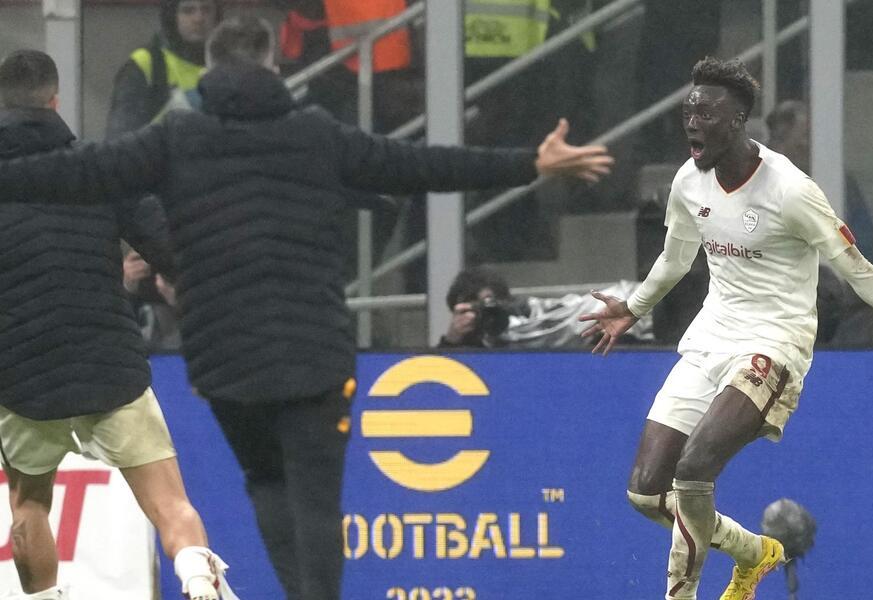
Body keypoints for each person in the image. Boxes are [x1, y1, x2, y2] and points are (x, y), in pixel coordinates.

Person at [0, 18, 612, 600]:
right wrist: (530, 163)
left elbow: (72, 173)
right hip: (304, 352)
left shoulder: (174, 139)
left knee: (259, 482)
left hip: (213, 361)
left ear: (207, 72)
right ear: (274, 66)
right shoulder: (316, 133)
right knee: (299, 500)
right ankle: (261, 585)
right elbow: (421, 166)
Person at [578, 57, 873, 600]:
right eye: (688, 112)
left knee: (695, 468)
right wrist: (633, 308)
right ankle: (753, 552)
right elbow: (674, 259)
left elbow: (864, 276)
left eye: (706, 114)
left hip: (773, 345)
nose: (692, 124)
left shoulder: (791, 191)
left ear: (738, 121)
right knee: (645, 492)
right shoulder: (688, 181)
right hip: (710, 339)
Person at [0, 50, 229, 600]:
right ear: (55, 100)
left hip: (23, 373)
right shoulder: (97, 168)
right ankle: (198, 576)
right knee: (171, 505)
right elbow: (170, 247)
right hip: (109, 361)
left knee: (29, 505)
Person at [764, 99, 873, 263]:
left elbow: (867, 247)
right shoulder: (756, 183)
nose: (809, 145)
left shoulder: (840, 183)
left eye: (812, 137)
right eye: (805, 136)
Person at [106, 0, 220, 137]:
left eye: (206, 10)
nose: (199, 19)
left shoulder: (229, 65)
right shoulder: (148, 63)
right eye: (188, 11)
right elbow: (121, 137)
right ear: (171, 17)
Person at [436, 267, 513, 349]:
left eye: (491, 305)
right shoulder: (459, 344)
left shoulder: (514, 334)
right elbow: (440, 357)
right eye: (478, 308)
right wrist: (452, 339)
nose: (486, 315)